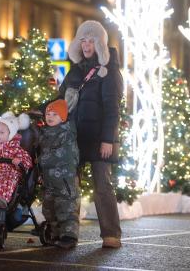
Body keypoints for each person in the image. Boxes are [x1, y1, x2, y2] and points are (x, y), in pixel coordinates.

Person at [60, 20, 123, 248]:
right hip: (75, 138)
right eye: (82, 40)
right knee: (70, 187)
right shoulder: (75, 71)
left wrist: (108, 139)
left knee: (102, 187)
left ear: (100, 43)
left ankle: (111, 234)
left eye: (91, 40)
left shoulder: (109, 72)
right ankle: (68, 233)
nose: (86, 45)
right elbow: (59, 100)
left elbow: (112, 109)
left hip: (98, 140)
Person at [38, 99, 80, 249]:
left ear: (63, 117)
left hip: (64, 180)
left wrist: (41, 161)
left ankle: (69, 236)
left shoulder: (66, 133)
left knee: (66, 207)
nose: (50, 116)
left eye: (54, 114)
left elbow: (64, 155)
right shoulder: (45, 133)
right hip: (49, 180)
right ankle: (55, 234)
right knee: (49, 208)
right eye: (48, 113)